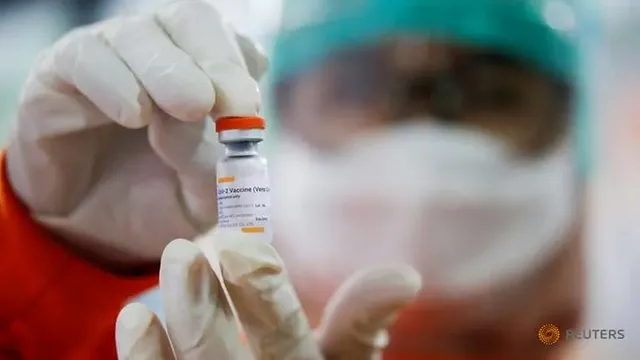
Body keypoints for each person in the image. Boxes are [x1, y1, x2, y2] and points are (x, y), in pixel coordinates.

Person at [0, 0, 585, 359]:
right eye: (359, 86)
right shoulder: (147, 341)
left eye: (490, 92)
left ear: (577, 136)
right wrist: (47, 268)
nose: (422, 136)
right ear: (281, 117)